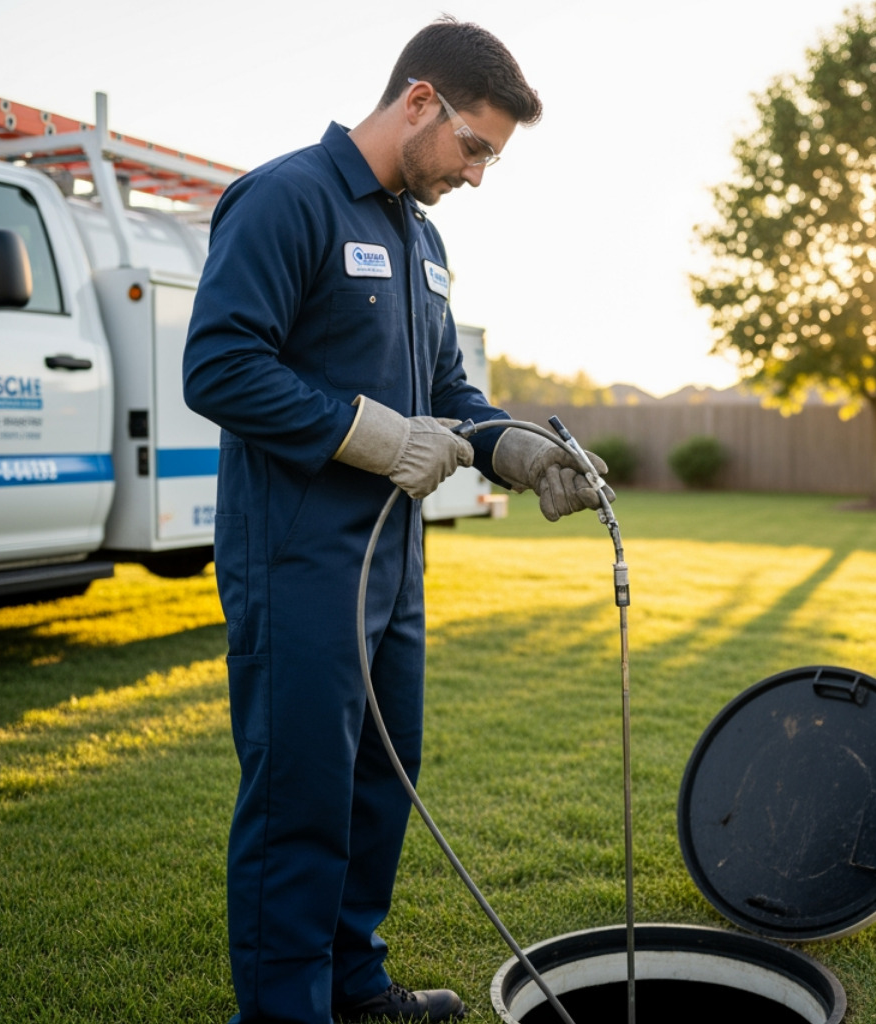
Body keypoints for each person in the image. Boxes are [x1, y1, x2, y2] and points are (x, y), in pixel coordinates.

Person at [183, 18, 610, 1024]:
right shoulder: (285, 197)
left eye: (493, 158)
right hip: (296, 560)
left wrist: (521, 450)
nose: (477, 175)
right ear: (420, 101)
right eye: (475, 146)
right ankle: (287, 1013)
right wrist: (374, 436)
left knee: (383, 779)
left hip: (394, 565)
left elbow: (449, 393)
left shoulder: (423, 237)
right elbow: (220, 367)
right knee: (302, 795)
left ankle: (353, 985)